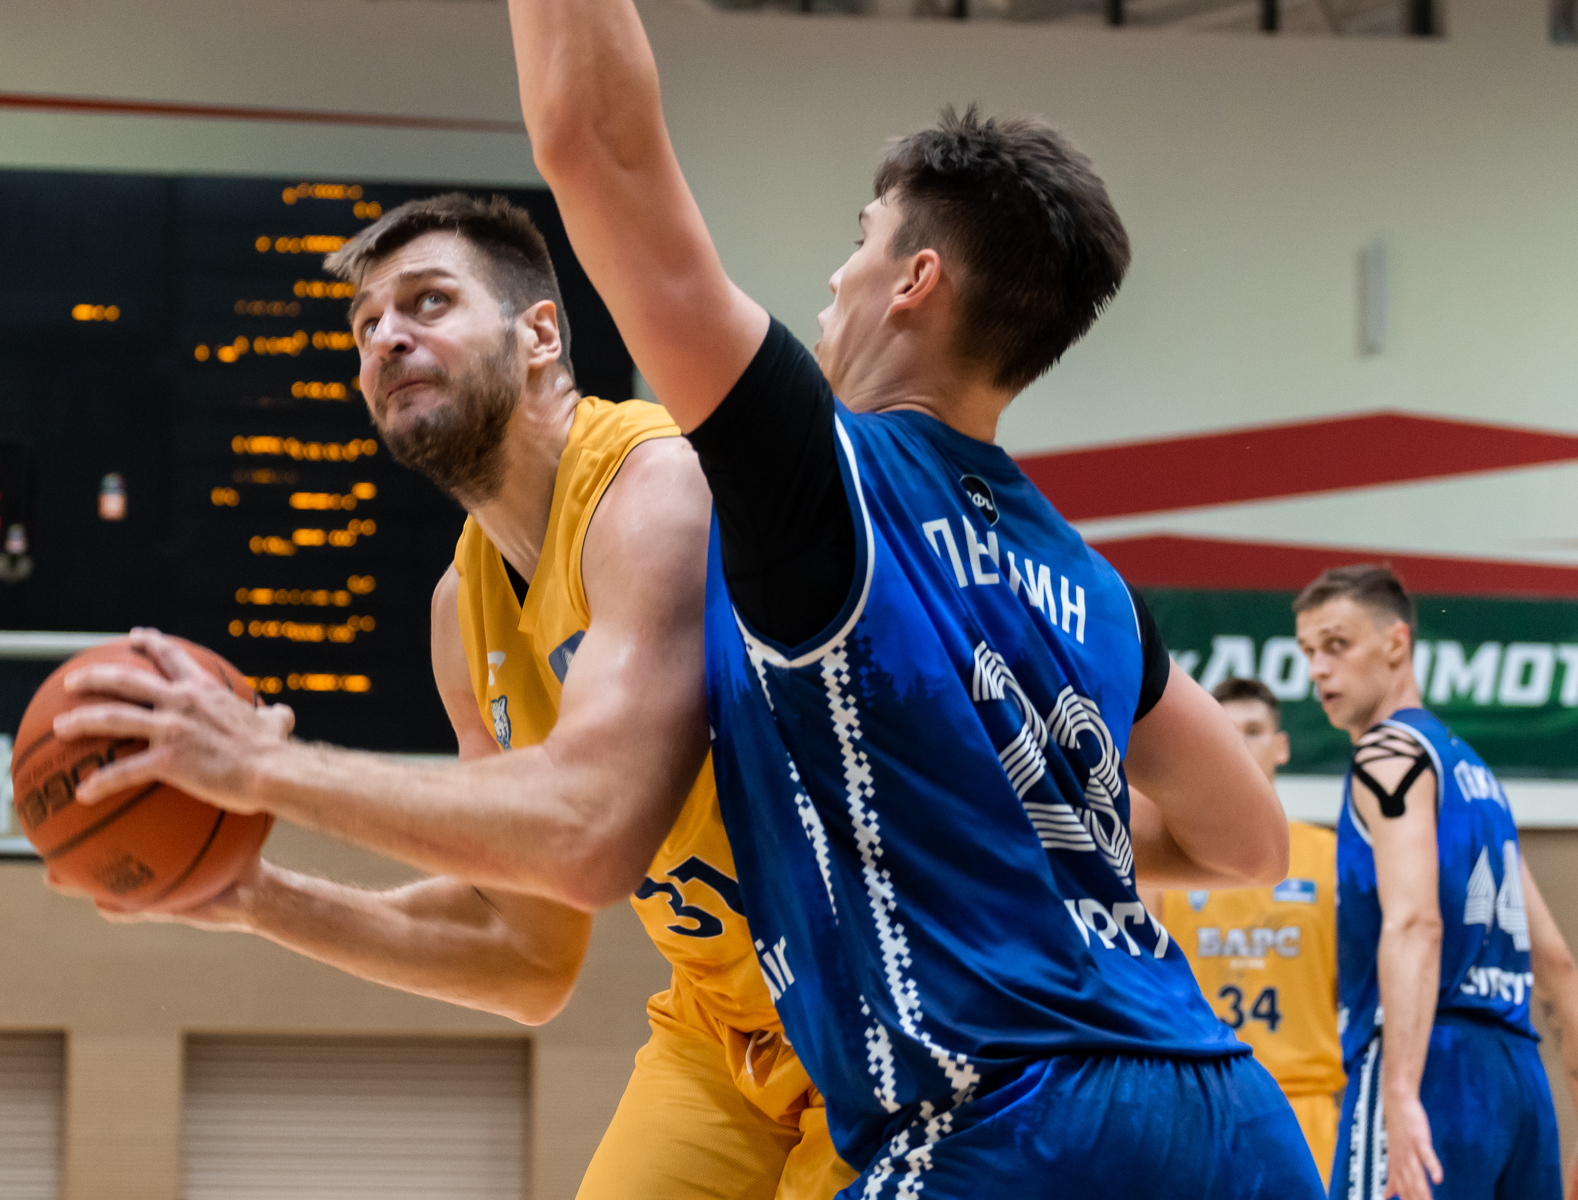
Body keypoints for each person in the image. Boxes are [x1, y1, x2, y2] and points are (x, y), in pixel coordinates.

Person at [506, 2, 1321, 1195]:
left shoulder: (818, 472)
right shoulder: (1094, 586)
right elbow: (1247, 840)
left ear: (915, 281)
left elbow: (594, 143)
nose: (836, 274)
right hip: (1227, 1117)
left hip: (1009, 1123)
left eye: (861, 239)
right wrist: (1018, 844)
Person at [52, 193, 853, 1199]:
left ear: (540, 336)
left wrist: (261, 768)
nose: (386, 337)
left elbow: (591, 833)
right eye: (365, 327)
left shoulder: (655, 489)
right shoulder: (458, 610)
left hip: (877, 1007)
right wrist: (254, 897)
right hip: (724, 1030)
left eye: (428, 302)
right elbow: (523, 952)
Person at [1294, 564, 1578, 1200]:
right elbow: (1555, 963)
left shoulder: (1387, 755)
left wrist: (1401, 1092)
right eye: (1307, 651)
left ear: (1396, 642)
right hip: (1519, 1081)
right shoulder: (1476, 777)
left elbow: (1415, 921)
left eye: (1336, 644)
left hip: (1429, 1062)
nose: (1318, 669)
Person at [1138, 677, 1345, 1186]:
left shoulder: (1330, 855)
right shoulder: (1163, 856)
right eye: (1227, 734)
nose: (1241, 745)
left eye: (1254, 731)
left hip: (1306, 1105)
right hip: (1203, 1100)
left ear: (1282, 746)